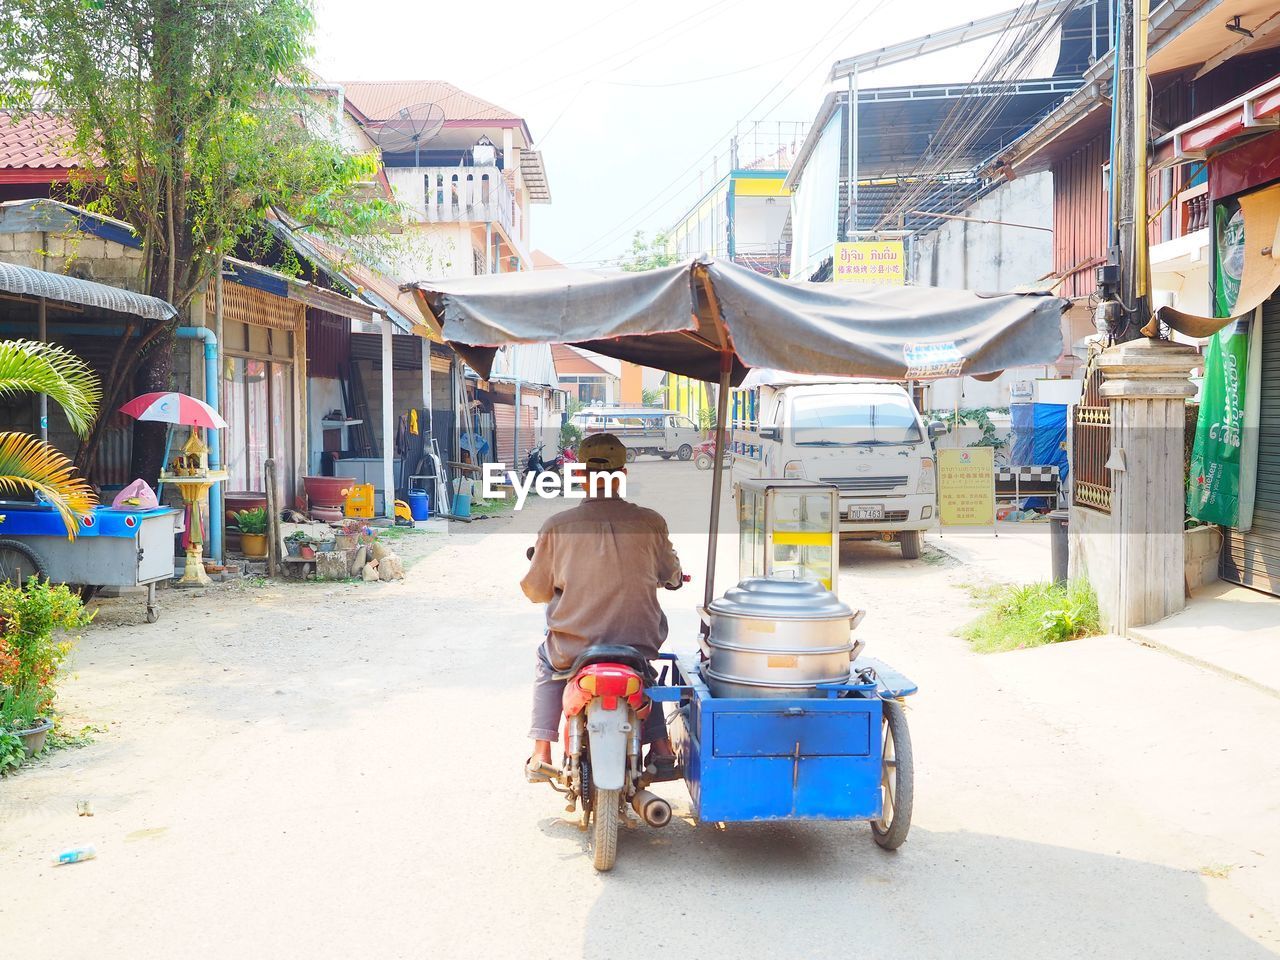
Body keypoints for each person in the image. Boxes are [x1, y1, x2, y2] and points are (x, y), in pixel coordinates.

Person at [520, 432, 683, 782]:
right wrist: (671, 577)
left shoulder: (557, 527)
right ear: (622, 474)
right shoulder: (650, 522)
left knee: (546, 663)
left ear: (580, 475)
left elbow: (535, 591)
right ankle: (661, 746)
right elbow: (670, 573)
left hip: (573, 647)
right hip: (637, 643)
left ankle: (540, 751)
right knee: (645, 673)